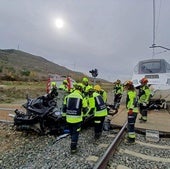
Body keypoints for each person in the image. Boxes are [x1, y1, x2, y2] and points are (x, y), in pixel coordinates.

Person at [62, 83, 88, 154]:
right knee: (75, 133)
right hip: (77, 120)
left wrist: (64, 117)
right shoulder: (82, 97)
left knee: (71, 132)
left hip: (69, 119)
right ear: (80, 89)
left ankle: (72, 142)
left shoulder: (67, 97)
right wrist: (84, 116)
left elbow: (64, 108)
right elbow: (85, 109)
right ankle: (73, 148)